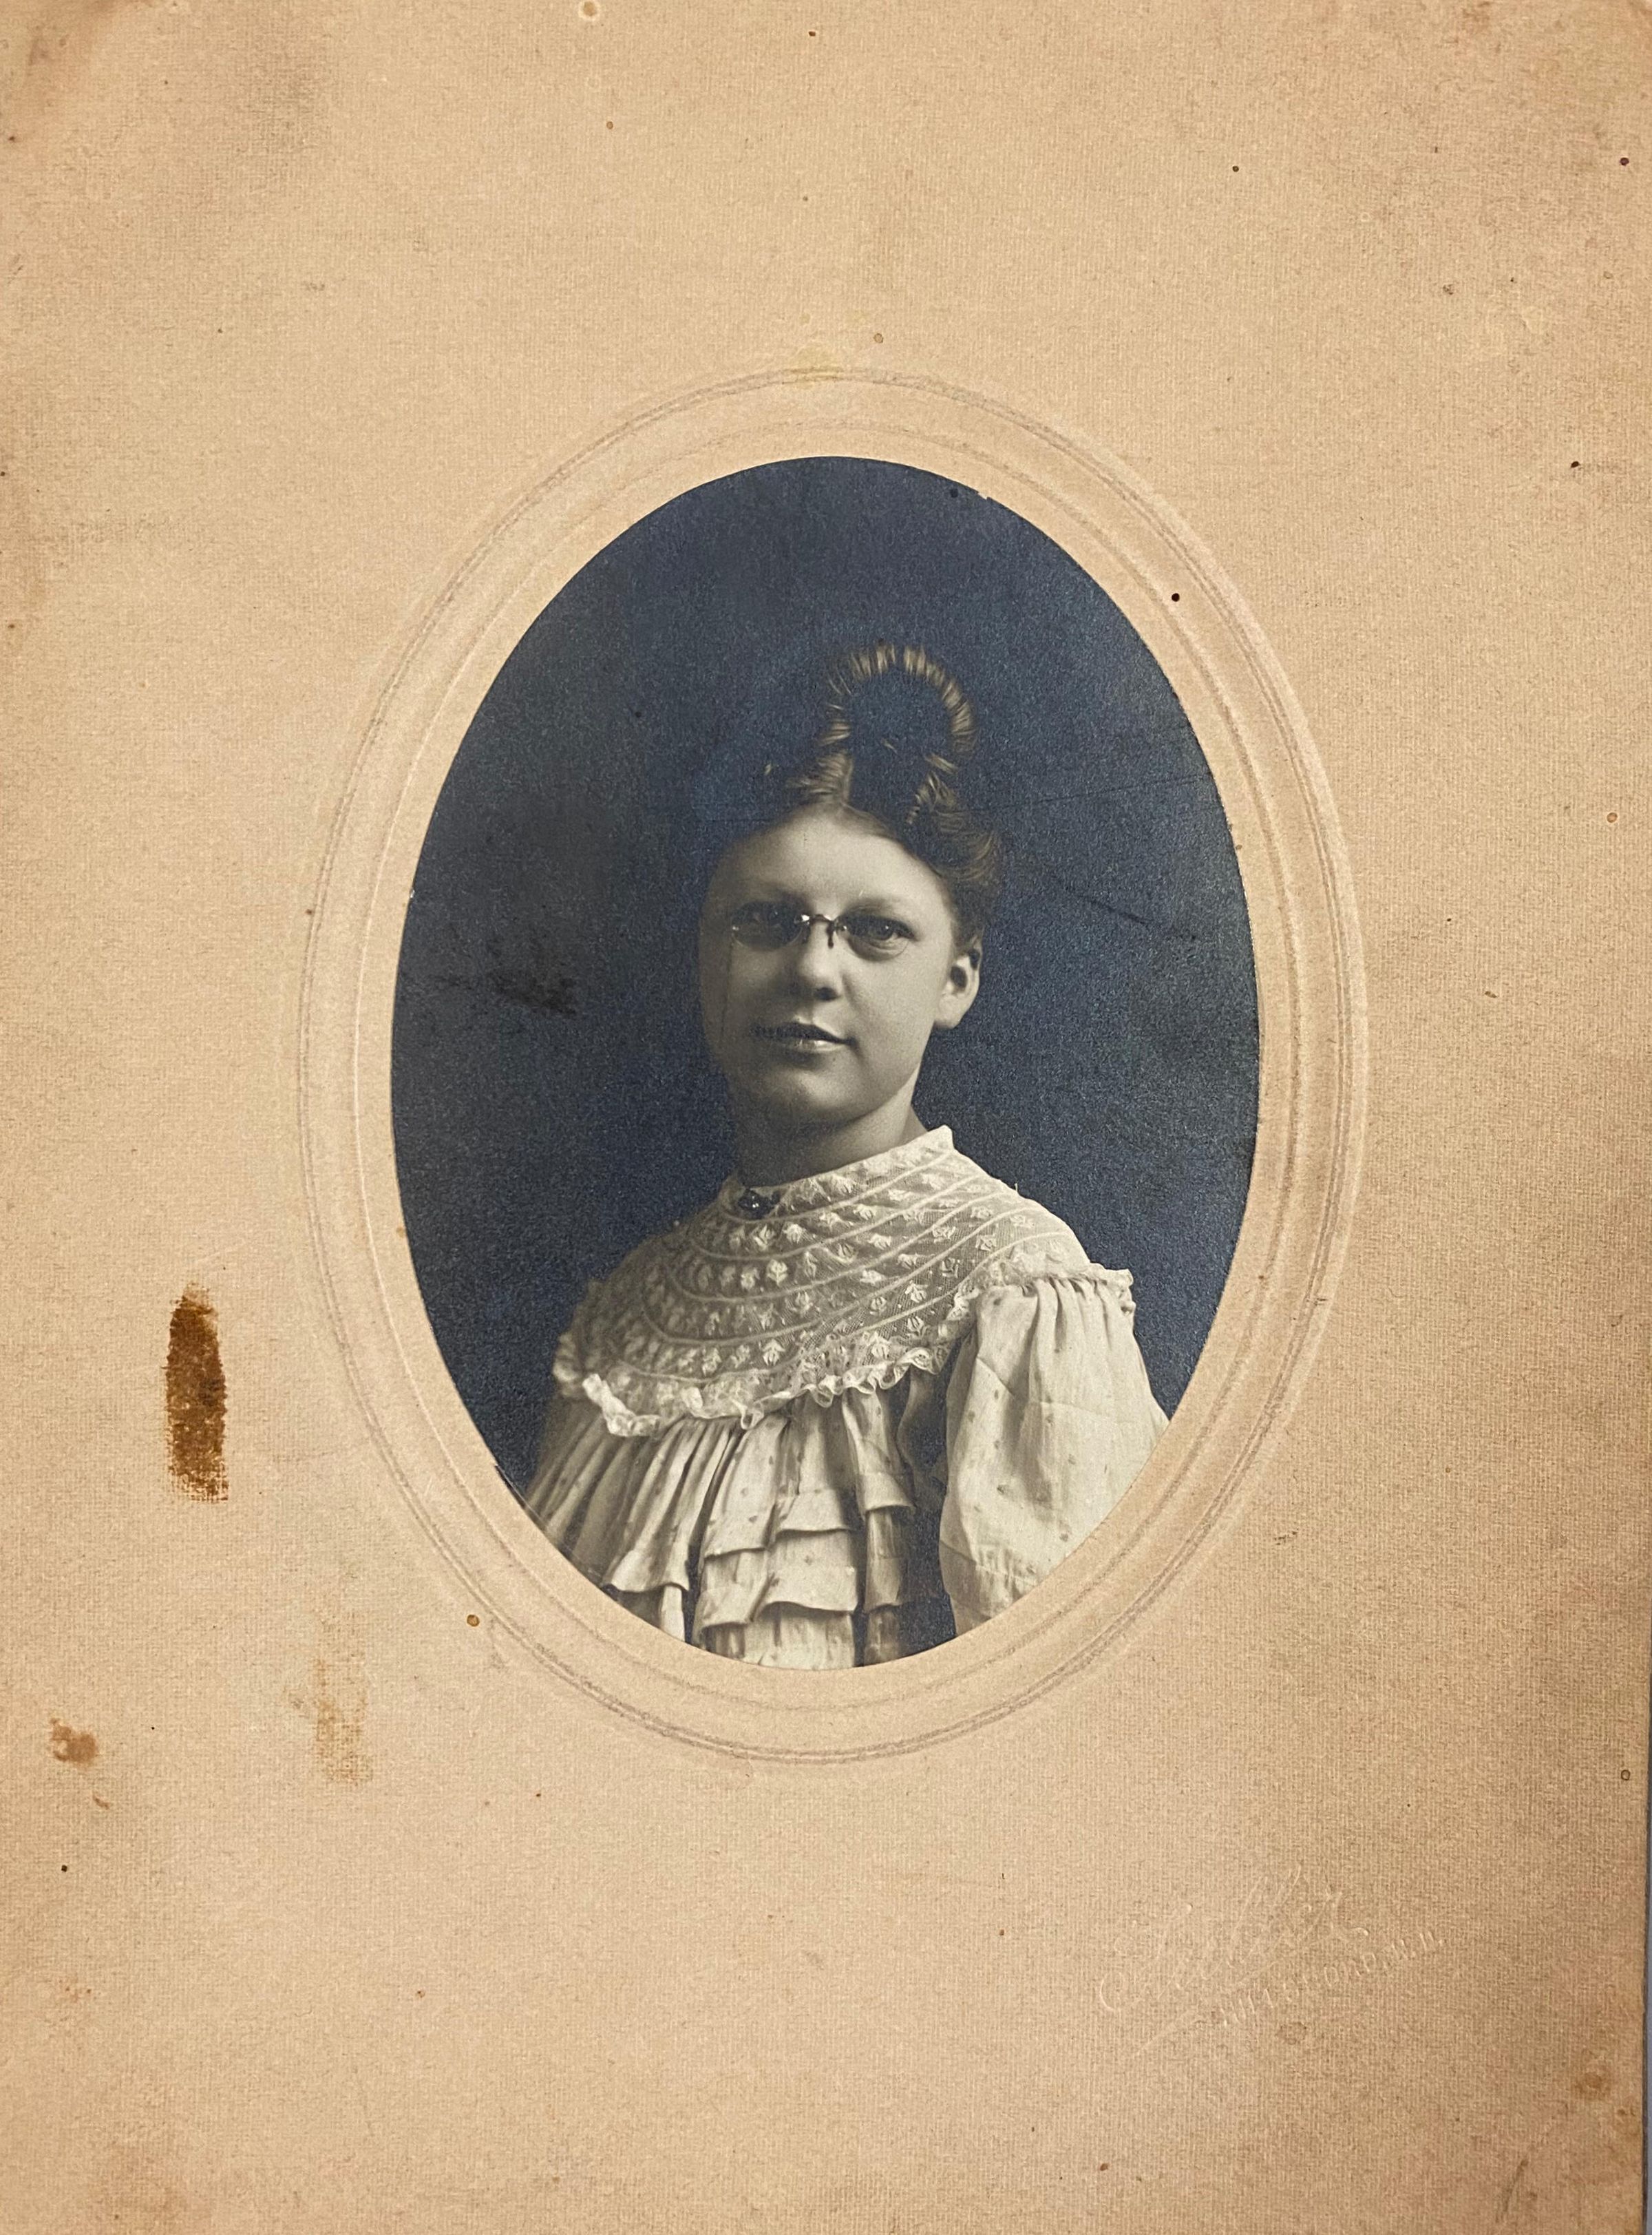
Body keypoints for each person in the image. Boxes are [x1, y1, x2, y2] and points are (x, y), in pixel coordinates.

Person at [522, 641, 1167, 1668]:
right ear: (706, 953)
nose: (813, 970)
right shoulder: (622, 1323)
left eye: (875, 932)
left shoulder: (1014, 1293)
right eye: (766, 921)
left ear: (957, 979)